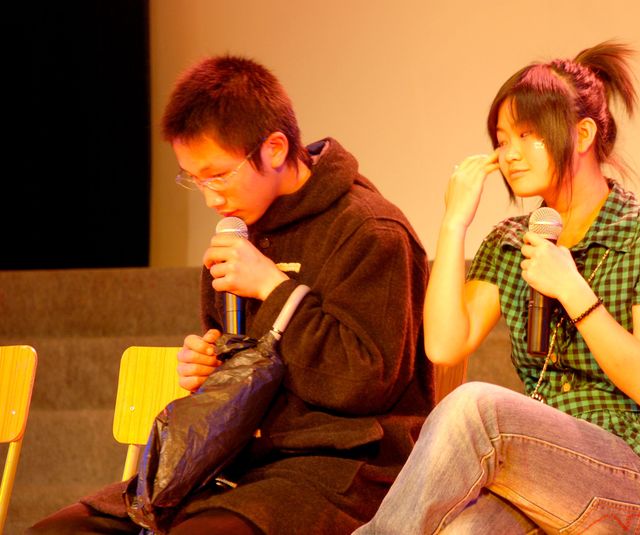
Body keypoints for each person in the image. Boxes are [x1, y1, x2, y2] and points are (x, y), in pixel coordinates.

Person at [28, 54, 434, 534]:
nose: (210, 197)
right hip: (233, 462)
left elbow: (364, 382)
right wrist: (210, 369)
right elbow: (243, 365)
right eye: (195, 179)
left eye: (218, 175)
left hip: (340, 469)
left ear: (275, 148)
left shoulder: (370, 230)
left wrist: (273, 288)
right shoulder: (239, 234)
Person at [353, 41, 640, 535]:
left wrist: (573, 290)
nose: (509, 154)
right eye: (501, 139)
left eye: (527, 134)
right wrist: (454, 223)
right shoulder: (511, 241)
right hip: (540, 469)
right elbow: (445, 344)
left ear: (583, 134)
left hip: (630, 472)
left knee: (475, 406)